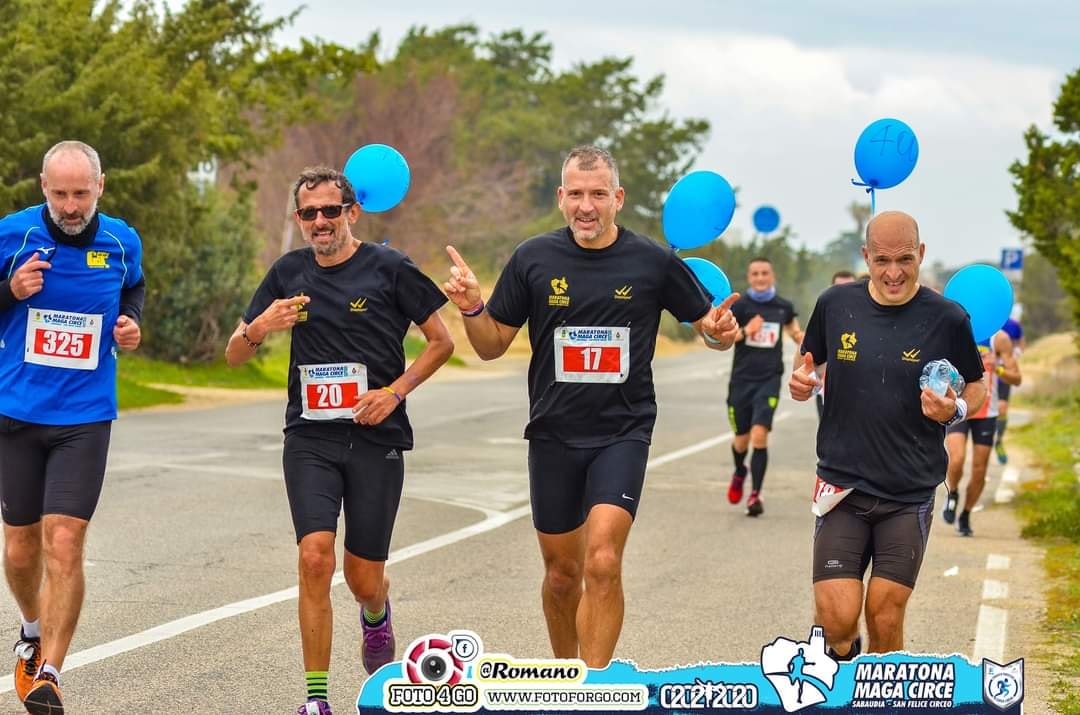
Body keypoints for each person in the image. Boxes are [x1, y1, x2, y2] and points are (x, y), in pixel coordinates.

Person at [442, 145, 738, 667]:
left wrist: (718, 333)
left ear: (617, 198)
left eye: (598, 194)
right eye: (576, 194)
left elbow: (711, 328)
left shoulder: (653, 261)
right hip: (553, 435)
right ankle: (565, 678)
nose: (586, 205)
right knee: (561, 575)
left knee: (602, 562)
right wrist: (470, 305)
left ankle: (595, 688)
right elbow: (490, 346)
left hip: (621, 433)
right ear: (560, 198)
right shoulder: (534, 258)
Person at [226, 167, 453, 715]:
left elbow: (441, 343)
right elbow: (235, 354)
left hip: (377, 437)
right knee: (313, 557)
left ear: (352, 212)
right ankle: (317, 700)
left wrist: (394, 393)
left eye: (331, 211)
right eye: (309, 213)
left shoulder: (389, 267)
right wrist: (261, 328)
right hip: (309, 437)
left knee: (362, 577)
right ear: (299, 219)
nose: (320, 222)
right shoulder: (287, 272)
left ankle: (376, 613)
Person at [789, 211, 985, 658]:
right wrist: (801, 383)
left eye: (903, 260)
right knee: (836, 622)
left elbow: (977, 386)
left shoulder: (948, 318)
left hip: (908, 491)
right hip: (842, 484)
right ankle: (847, 672)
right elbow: (808, 366)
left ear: (921, 254)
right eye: (881, 261)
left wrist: (953, 409)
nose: (893, 272)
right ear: (865, 257)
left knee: (885, 614)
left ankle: (880, 702)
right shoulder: (835, 304)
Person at [0, 140, 145, 714]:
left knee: (65, 540)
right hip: (15, 412)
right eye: (59, 193)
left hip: (85, 417)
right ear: (42, 188)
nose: (70, 205)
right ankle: (31, 631)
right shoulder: (11, 235)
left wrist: (132, 320)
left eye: (80, 193)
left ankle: (51, 675)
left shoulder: (120, 240)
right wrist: (10, 291)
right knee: (19, 548)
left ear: (100, 188)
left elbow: (134, 286)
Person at [725, 257, 803, 516]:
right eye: (755, 273)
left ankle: (755, 495)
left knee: (759, 435)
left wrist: (805, 339)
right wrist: (748, 330)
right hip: (741, 381)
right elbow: (727, 338)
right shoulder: (740, 306)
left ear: (772, 277)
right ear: (749, 277)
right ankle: (739, 471)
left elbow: (795, 332)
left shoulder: (783, 307)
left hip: (768, 379)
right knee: (741, 440)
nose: (760, 278)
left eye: (764, 273)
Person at [943, 330, 1021, 535]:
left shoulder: (1000, 338)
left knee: (979, 469)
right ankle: (953, 493)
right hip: (960, 407)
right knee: (957, 458)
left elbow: (1017, 378)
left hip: (987, 412)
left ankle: (966, 514)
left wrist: (1000, 370)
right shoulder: (954, 329)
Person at [814, 271, 858, 418]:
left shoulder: (871, 318)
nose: (843, 292)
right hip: (828, 392)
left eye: (849, 287)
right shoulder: (824, 316)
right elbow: (808, 356)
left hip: (860, 396)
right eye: (838, 288)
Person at [993, 316, 1024, 464]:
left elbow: (1021, 343)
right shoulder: (981, 320)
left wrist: (1016, 353)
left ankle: (998, 441)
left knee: (1002, 408)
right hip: (985, 376)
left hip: (1003, 374)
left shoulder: (1013, 325)